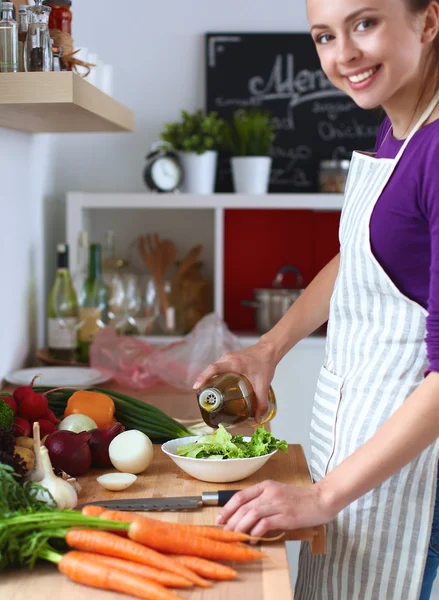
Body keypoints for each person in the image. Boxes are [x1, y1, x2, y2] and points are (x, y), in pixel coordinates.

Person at [193, 0, 439, 598]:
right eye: (324, 35)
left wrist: (322, 496)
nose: (343, 55)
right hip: (366, 458)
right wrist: (268, 349)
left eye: (365, 23)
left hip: (418, 488)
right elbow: (367, 256)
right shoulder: (397, 125)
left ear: (428, 21)